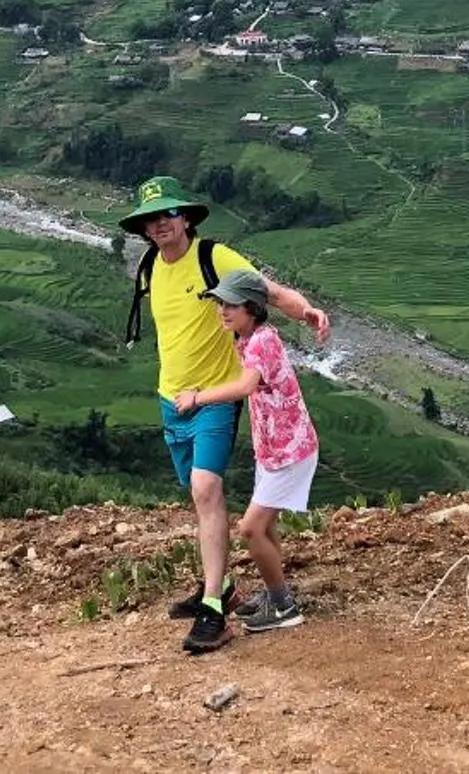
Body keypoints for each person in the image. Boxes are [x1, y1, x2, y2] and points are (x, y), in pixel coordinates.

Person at [116, 175, 330, 656]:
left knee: (206, 489)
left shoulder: (214, 258)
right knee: (198, 497)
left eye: (168, 214)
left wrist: (307, 311)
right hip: (171, 397)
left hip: (212, 398)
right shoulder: (151, 265)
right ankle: (225, 586)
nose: (159, 225)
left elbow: (268, 292)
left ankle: (214, 607)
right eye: (151, 218)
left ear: (185, 217)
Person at [173, 266, 320, 632]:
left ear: (252, 307)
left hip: (289, 449)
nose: (223, 310)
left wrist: (197, 398)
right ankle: (275, 593)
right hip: (276, 447)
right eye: (220, 303)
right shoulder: (249, 337)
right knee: (265, 527)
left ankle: (284, 606)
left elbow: (245, 386)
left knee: (251, 529)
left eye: (231, 305)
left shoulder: (261, 341)